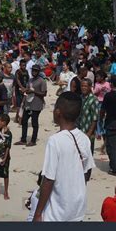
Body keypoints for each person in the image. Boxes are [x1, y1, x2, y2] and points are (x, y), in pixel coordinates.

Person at [33, 92, 95, 221]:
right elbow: (87, 172)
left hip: (58, 211)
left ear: (58, 112)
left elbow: (49, 179)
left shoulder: (55, 141)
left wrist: (38, 213)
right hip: (78, 207)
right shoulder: (85, 139)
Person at [15, 64, 47, 147]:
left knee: (34, 123)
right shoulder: (30, 80)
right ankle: (23, 139)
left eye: (36, 70)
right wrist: (24, 91)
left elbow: (44, 93)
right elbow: (27, 90)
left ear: (38, 71)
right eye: (33, 70)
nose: (34, 72)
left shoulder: (42, 81)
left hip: (37, 105)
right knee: (24, 121)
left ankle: (33, 140)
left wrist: (33, 92)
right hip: (28, 104)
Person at [77, 78, 99, 156]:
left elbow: (95, 118)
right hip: (79, 131)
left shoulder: (93, 100)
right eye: (82, 86)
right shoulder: (80, 98)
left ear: (90, 87)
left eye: (85, 86)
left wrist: (89, 133)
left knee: (87, 155)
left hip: (88, 133)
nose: (83, 88)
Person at [14, 59, 29, 123]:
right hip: (18, 89)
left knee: (23, 104)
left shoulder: (26, 71)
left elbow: (28, 80)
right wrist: (22, 87)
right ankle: (17, 117)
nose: (24, 66)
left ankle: (20, 117)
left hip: (25, 89)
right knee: (19, 104)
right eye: (23, 65)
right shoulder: (18, 71)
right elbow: (17, 80)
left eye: (25, 65)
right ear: (20, 65)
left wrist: (26, 88)